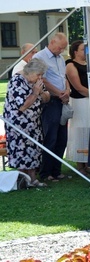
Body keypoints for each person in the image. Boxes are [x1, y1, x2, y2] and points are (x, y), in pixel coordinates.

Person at [4, 58, 51, 187]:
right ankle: (22, 180)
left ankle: (33, 179)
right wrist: (36, 93)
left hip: (33, 122)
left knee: (33, 150)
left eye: (41, 75)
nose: (40, 78)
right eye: (38, 75)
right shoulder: (17, 81)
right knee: (21, 151)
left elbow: (47, 98)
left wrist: (41, 92)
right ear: (29, 72)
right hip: (18, 124)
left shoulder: (36, 80)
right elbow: (23, 106)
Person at [32, 32, 70, 182]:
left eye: (63, 49)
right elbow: (43, 80)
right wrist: (58, 92)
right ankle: (45, 172)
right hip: (51, 101)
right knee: (51, 137)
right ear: (52, 42)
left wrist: (67, 90)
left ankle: (56, 170)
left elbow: (64, 77)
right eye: (60, 48)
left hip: (62, 100)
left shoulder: (60, 59)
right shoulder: (40, 57)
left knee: (62, 138)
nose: (61, 51)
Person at [65, 40, 90, 176]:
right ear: (75, 52)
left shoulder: (89, 64)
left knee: (89, 130)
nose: (85, 52)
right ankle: (80, 164)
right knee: (80, 131)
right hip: (80, 102)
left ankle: (88, 161)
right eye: (82, 49)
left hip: (89, 101)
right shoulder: (70, 65)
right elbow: (78, 87)